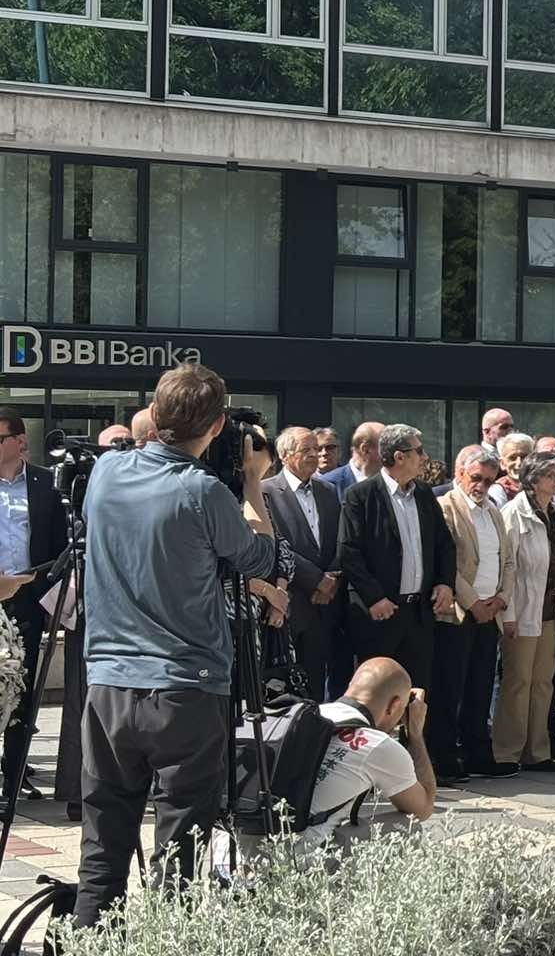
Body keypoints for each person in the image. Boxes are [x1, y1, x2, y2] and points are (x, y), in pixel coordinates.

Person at [73, 364, 289, 929]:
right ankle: (170, 937)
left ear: (154, 414)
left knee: (103, 841)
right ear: (216, 427)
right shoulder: (203, 491)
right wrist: (251, 482)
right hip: (186, 690)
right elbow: (260, 559)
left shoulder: (106, 472)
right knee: (181, 850)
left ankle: (88, 938)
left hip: (109, 685)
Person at [338, 424, 456, 693]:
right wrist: (374, 598)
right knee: (375, 694)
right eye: (419, 451)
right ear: (399, 456)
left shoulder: (424, 494)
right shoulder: (360, 495)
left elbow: (444, 544)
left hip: (419, 614)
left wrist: (445, 583)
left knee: (416, 694)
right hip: (380, 615)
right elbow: (348, 552)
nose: (425, 457)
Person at [432, 446, 515, 783]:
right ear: (460, 473)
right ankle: (444, 756)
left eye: (488, 480)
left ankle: (478, 752)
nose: (481, 485)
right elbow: (445, 563)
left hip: (490, 612)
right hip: (458, 613)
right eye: (475, 478)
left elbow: (508, 560)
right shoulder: (445, 507)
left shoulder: (493, 510)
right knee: (450, 687)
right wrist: (473, 603)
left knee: (481, 686)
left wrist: (500, 598)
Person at [0, 408, 67, 808]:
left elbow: (60, 548)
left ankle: (13, 779)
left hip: (26, 600)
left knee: (21, 691)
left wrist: (37, 587)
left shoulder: (46, 485)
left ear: (20, 441)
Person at [304, 658, 434, 841]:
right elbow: (423, 808)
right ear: (394, 705)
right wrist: (416, 733)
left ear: (351, 685)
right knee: (408, 825)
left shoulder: (309, 714)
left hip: (264, 843)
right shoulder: (378, 744)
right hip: (303, 852)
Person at [495, 451, 555, 772]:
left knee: (542, 682)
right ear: (533, 480)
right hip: (522, 608)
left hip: (550, 608)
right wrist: (507, 614)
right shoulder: (513, 514)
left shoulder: (554, 512)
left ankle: (537, 751)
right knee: (518, 682)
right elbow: (507, 567)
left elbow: (554, 555)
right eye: (551, 475)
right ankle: (507, 751)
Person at [262, 427, 344, 700]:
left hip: (325, 606)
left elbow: (340, 538)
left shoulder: (328, 490)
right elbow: (273, 544)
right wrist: (315, 580)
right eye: (306, 449)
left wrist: (330, 578)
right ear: (285, 456)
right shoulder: (266, 492)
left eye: (317, 449)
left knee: (318, 688)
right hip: (290, 605)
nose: (315, 455)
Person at [320, 421, 384, 494]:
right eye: (384, 448)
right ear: (365, 450)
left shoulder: (388, 483)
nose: (389, 454)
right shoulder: (326, 486)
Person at [491, 433, 536, 508]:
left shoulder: (544, 486)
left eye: (524, 457)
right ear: (502, 463)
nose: (519, 463)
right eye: (512, 458)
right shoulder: (498, 491)